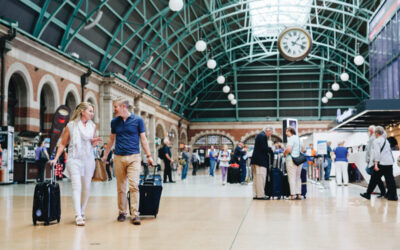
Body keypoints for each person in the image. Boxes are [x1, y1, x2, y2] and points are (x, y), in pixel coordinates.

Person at [102, 97, 154, 225]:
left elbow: (143, 139)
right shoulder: (114, 122)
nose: (114, 109)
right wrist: (105, 155)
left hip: (134, 157)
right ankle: (122, 212)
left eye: (116, 107)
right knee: (121, 187)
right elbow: (111, 139)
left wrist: (149, 155)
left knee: (134, 186)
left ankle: (135, 214)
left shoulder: (138, 120)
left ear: (123, 107)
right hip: (118, 157)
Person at [49, 102, 102, 226]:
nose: (92, 113)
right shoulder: (71, 126)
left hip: (88, 160)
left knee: (86, 188)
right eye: (90, 111)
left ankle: (82, 210)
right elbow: (63, 143)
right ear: (82, 111)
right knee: (76, 186)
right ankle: (78, 215)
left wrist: (95, 142)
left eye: (92, 111)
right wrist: (56, 158)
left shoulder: (92, 126)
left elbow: (92, 143)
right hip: (74, 159)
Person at [361, 126, 398, 201]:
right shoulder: (386, 141)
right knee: (390, 180)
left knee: (373, 179)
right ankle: (393, 196)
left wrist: (375, 164)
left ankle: (368, 194)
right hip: (389, 163)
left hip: (381, 163)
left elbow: (377, 153)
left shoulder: (376, 141)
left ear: (376, 133)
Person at [250, 126, 274, 200]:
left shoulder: (259, 135)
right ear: (268, 131)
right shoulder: (263, 136)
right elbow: (264, 148)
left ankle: (255, 194)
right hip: (260, 161)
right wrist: (270, 149)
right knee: (261, 178)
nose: (271, 134)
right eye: (271, 133)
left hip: (255, 160)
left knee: (256, 179)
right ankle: (260, 195)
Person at [283, 126, 303, 200]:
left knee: (291, 177)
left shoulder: (291, 139)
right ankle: (299, 194)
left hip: (291, 160)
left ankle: (292, 195)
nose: (285, 133)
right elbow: (303, 149)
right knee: (298, 177)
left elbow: (289, 149)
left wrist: (284, 154)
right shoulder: (299, 138)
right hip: (300, 160)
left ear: (289, 131)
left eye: (286, 131)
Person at [365, 125, 385, 197]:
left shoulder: (373, 139)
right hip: (376, 161)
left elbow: (372, 151)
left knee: (374, 176)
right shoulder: (378, 139)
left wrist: (370, 160)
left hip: (374, 161)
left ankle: (369, 193)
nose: (368, 132)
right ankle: (382, 192)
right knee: (376, 177)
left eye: (368, 130)